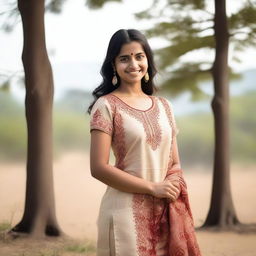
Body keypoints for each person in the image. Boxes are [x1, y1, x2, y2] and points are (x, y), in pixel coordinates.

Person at [88, 29, 201, 256]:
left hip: (165, 212)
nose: (133, 64)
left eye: (139, 56)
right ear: (113, 65)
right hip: (125, 215)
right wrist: (153, 188)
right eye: (124, 58)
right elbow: (98, 168)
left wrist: (168, 187)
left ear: (147, 60)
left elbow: (174, 162)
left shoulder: (164, 106)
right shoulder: (107, 105)